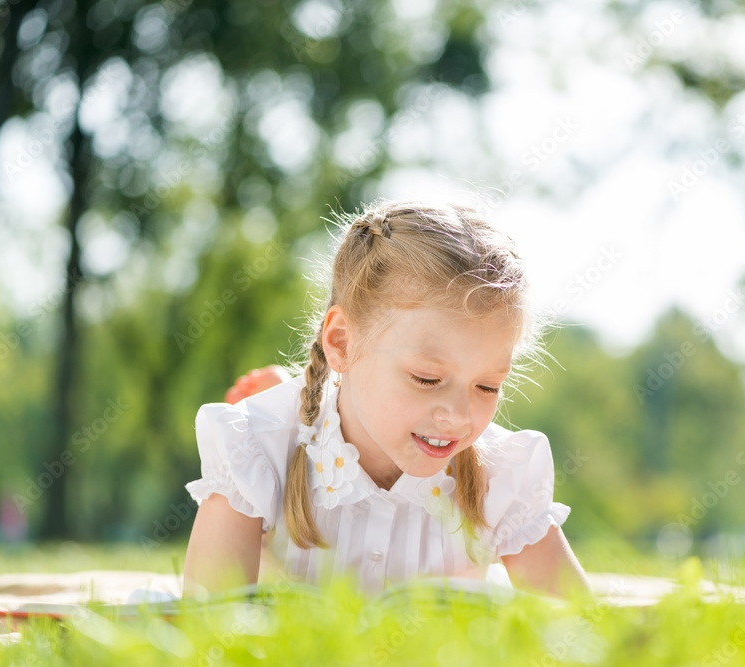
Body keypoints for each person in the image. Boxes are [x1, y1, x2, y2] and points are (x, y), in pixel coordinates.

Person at [182, 200, 592, 602]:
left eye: (487, 387)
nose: (458, 417)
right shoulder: (254, 449)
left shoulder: (502, 474)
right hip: (281, 452)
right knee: (272, 437)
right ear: (342, 343)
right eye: (427, 379)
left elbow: (580, 629)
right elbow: (208, 625)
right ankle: (282, 399)